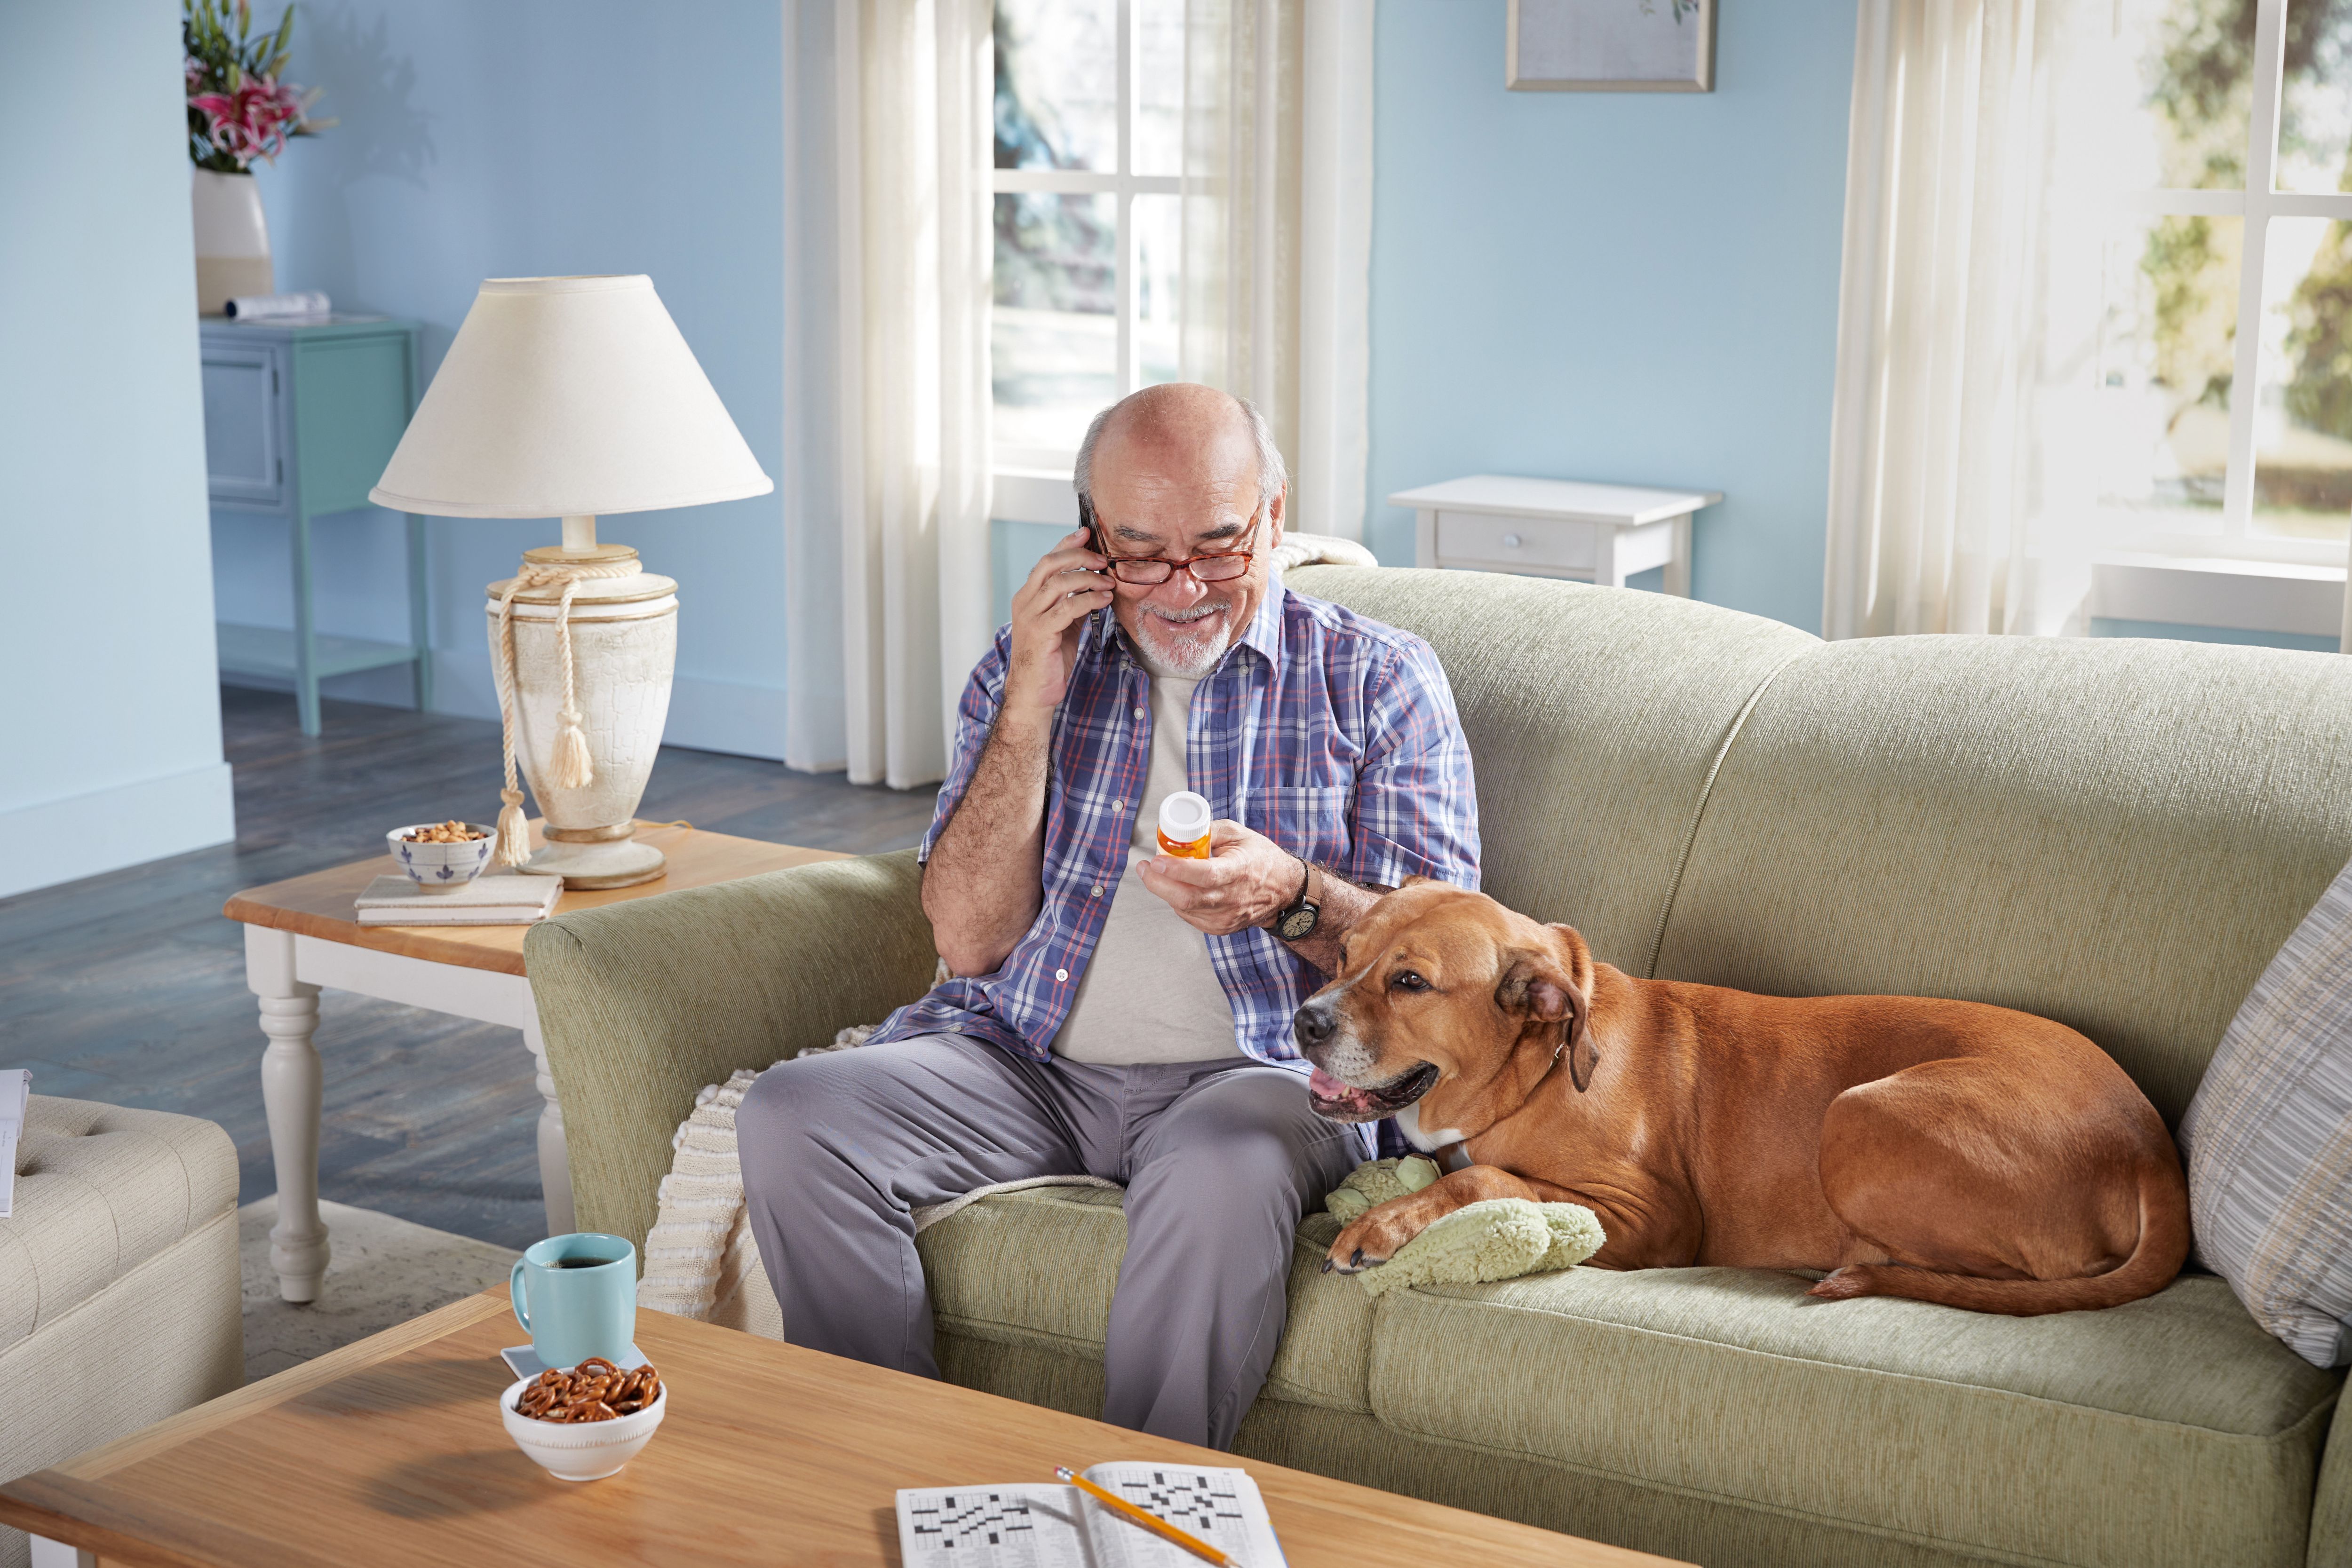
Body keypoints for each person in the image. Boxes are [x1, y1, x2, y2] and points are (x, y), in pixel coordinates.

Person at [738, 383, 1479, 1449]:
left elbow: (1445, 961)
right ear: (1089, 538)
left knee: (1225, 1163)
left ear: (1274, 517)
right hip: (1028, 1061)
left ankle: (1144, 1516)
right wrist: (1029, 703)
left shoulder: (1376, 680)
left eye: (1219, 547)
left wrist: (1292, 893)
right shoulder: (1029, 666)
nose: (1182, 588)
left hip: (1258, 1072)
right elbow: (967, 939)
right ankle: (892, 1473)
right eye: (1140, 552)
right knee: (794, 1112)